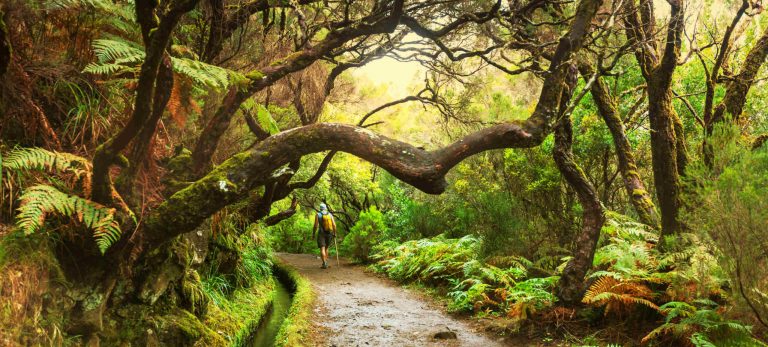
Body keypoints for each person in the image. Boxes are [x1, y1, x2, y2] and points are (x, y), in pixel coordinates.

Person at [312, 203, 337, 269]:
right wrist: (334, 233)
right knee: (326, 248)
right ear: (325, 208)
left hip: (321, 233)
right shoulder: (330, 214)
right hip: (329, 233)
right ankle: (326, 262)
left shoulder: (318, 215)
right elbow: (334, 225)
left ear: (320, 208)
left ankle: (324, 263)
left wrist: (313, 234)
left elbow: (315, 226)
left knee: (322, 248)